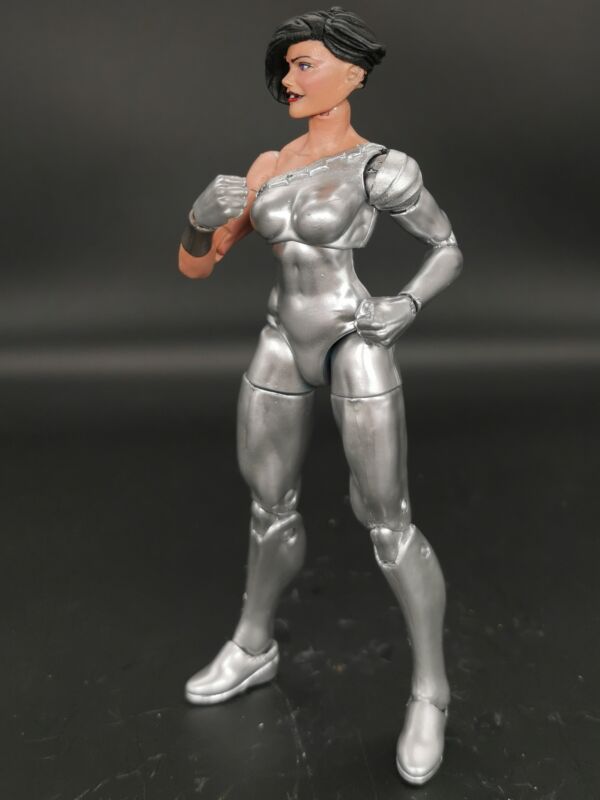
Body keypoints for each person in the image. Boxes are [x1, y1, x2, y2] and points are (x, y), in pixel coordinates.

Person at [178, 6, 463, 786]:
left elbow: (445, 246)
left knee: (387, 521)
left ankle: (431, 690)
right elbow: (197, 265)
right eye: (285, 68)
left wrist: (405, 305)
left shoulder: (381, 168)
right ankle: (253, 645)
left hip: (351, 337)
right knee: (268, 507)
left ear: (353, 73)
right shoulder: (270, 165)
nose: (289, 80)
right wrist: (197, 221)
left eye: (304, 64)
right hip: (281, 338)